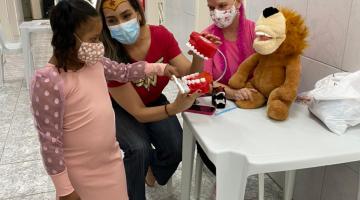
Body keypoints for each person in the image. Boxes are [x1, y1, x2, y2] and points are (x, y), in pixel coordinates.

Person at [30, 1, 175, 199]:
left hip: (111, 162)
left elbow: (124, 72)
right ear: (68, 38)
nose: (99, 45)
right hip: (80, 174)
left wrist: (159, 68)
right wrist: (65, 190)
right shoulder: (49, 80)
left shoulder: (94, 62)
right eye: (94, 38)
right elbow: (49, 142)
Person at [96, 0, 220, 199]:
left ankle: (151, 170)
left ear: (138, 12)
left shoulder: (161, 36)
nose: (120, 24)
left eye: (126, 15)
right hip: (120, 109)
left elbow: (188, 74)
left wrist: (199, 54)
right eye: (111, 20)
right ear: (104, 24)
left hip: (154, 100)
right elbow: (137, 113)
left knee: (177, 147)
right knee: (138, 149)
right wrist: (174, 108)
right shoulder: (108, 56)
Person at [198, 0, 256, 176]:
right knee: (209, 137)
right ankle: (224, 181)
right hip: (218, 97)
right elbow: (205, 83)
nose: (216, 13)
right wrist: (233, 93)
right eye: (211, 8)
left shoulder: (255, 32)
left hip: (252, 102)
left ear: (238, 3)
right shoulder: (206, 37)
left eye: (222, 6)